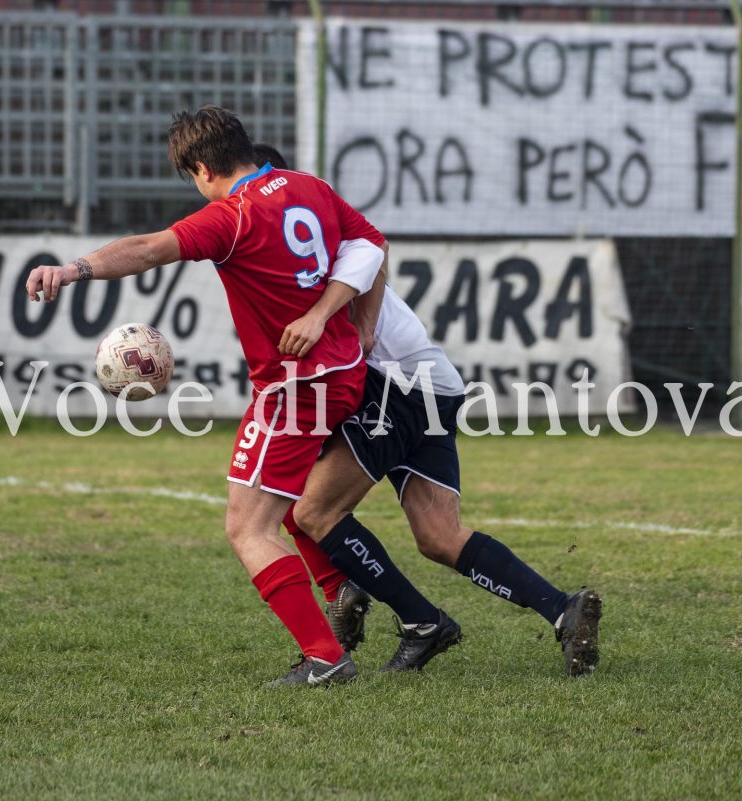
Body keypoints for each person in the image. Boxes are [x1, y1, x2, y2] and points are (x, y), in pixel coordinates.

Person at [26, 107, 389, 686]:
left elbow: (148, 249)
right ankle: (337, 584)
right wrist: (351, 324)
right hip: (345, 371)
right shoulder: (308, 186)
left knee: (248, 528)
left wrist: (75, 270)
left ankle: (325, 658)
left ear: (201, 169)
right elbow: (371, 244)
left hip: (296, 387)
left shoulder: (232, 217)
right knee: (288, 501)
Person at [251, 143, 603, 677]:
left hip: (397, 386)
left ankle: (418, 620)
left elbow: (373, 255)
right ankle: (561, 609)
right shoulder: (306, 236)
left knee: (312, 511)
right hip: (432, 383)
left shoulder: (299, 239)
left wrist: (361, 329)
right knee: (439, 536)